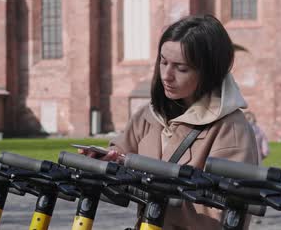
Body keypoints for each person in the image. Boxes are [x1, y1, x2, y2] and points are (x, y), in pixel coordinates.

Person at [81, 14, 259, 229]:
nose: (167, 75)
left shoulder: (230, 129)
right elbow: (120, 151)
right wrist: (104, 162)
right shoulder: (149, 114)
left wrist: (148, 184)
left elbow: (222, 212)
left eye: (181, 68)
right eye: (163, 62)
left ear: (210, 71)